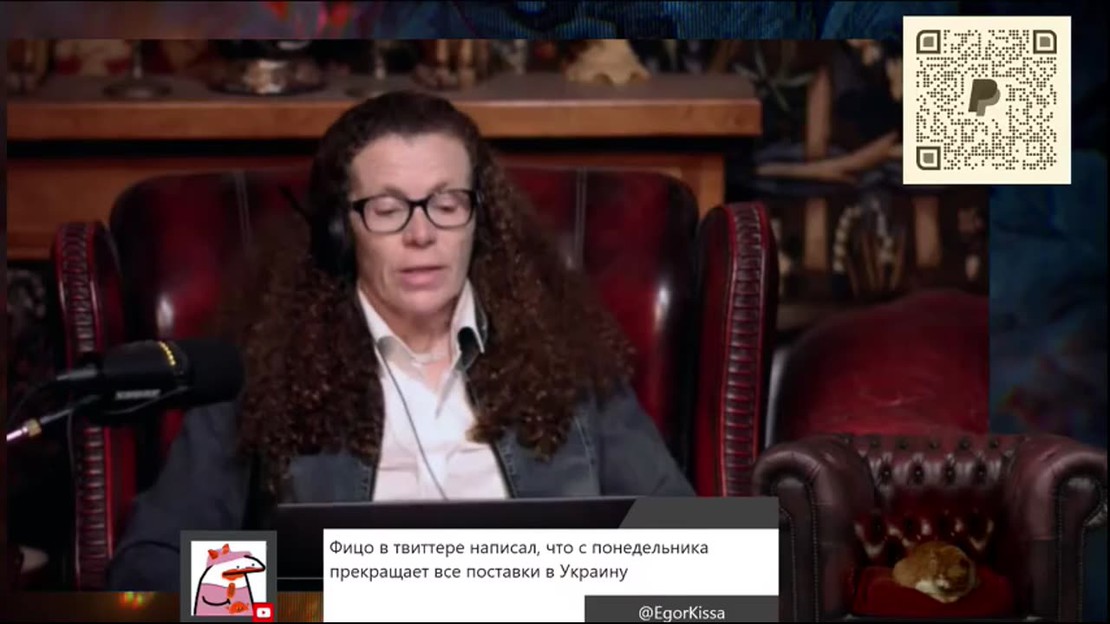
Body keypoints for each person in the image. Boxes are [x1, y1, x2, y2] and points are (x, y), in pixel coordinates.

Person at [106, 91, 694, 591]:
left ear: (479, 219)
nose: (421, 233)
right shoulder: (263, 370)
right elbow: (149, 570)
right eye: (387, 210)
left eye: (446, 204)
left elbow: (692, 555)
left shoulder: (567, 358)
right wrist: (298, 598)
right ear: (341, 231)